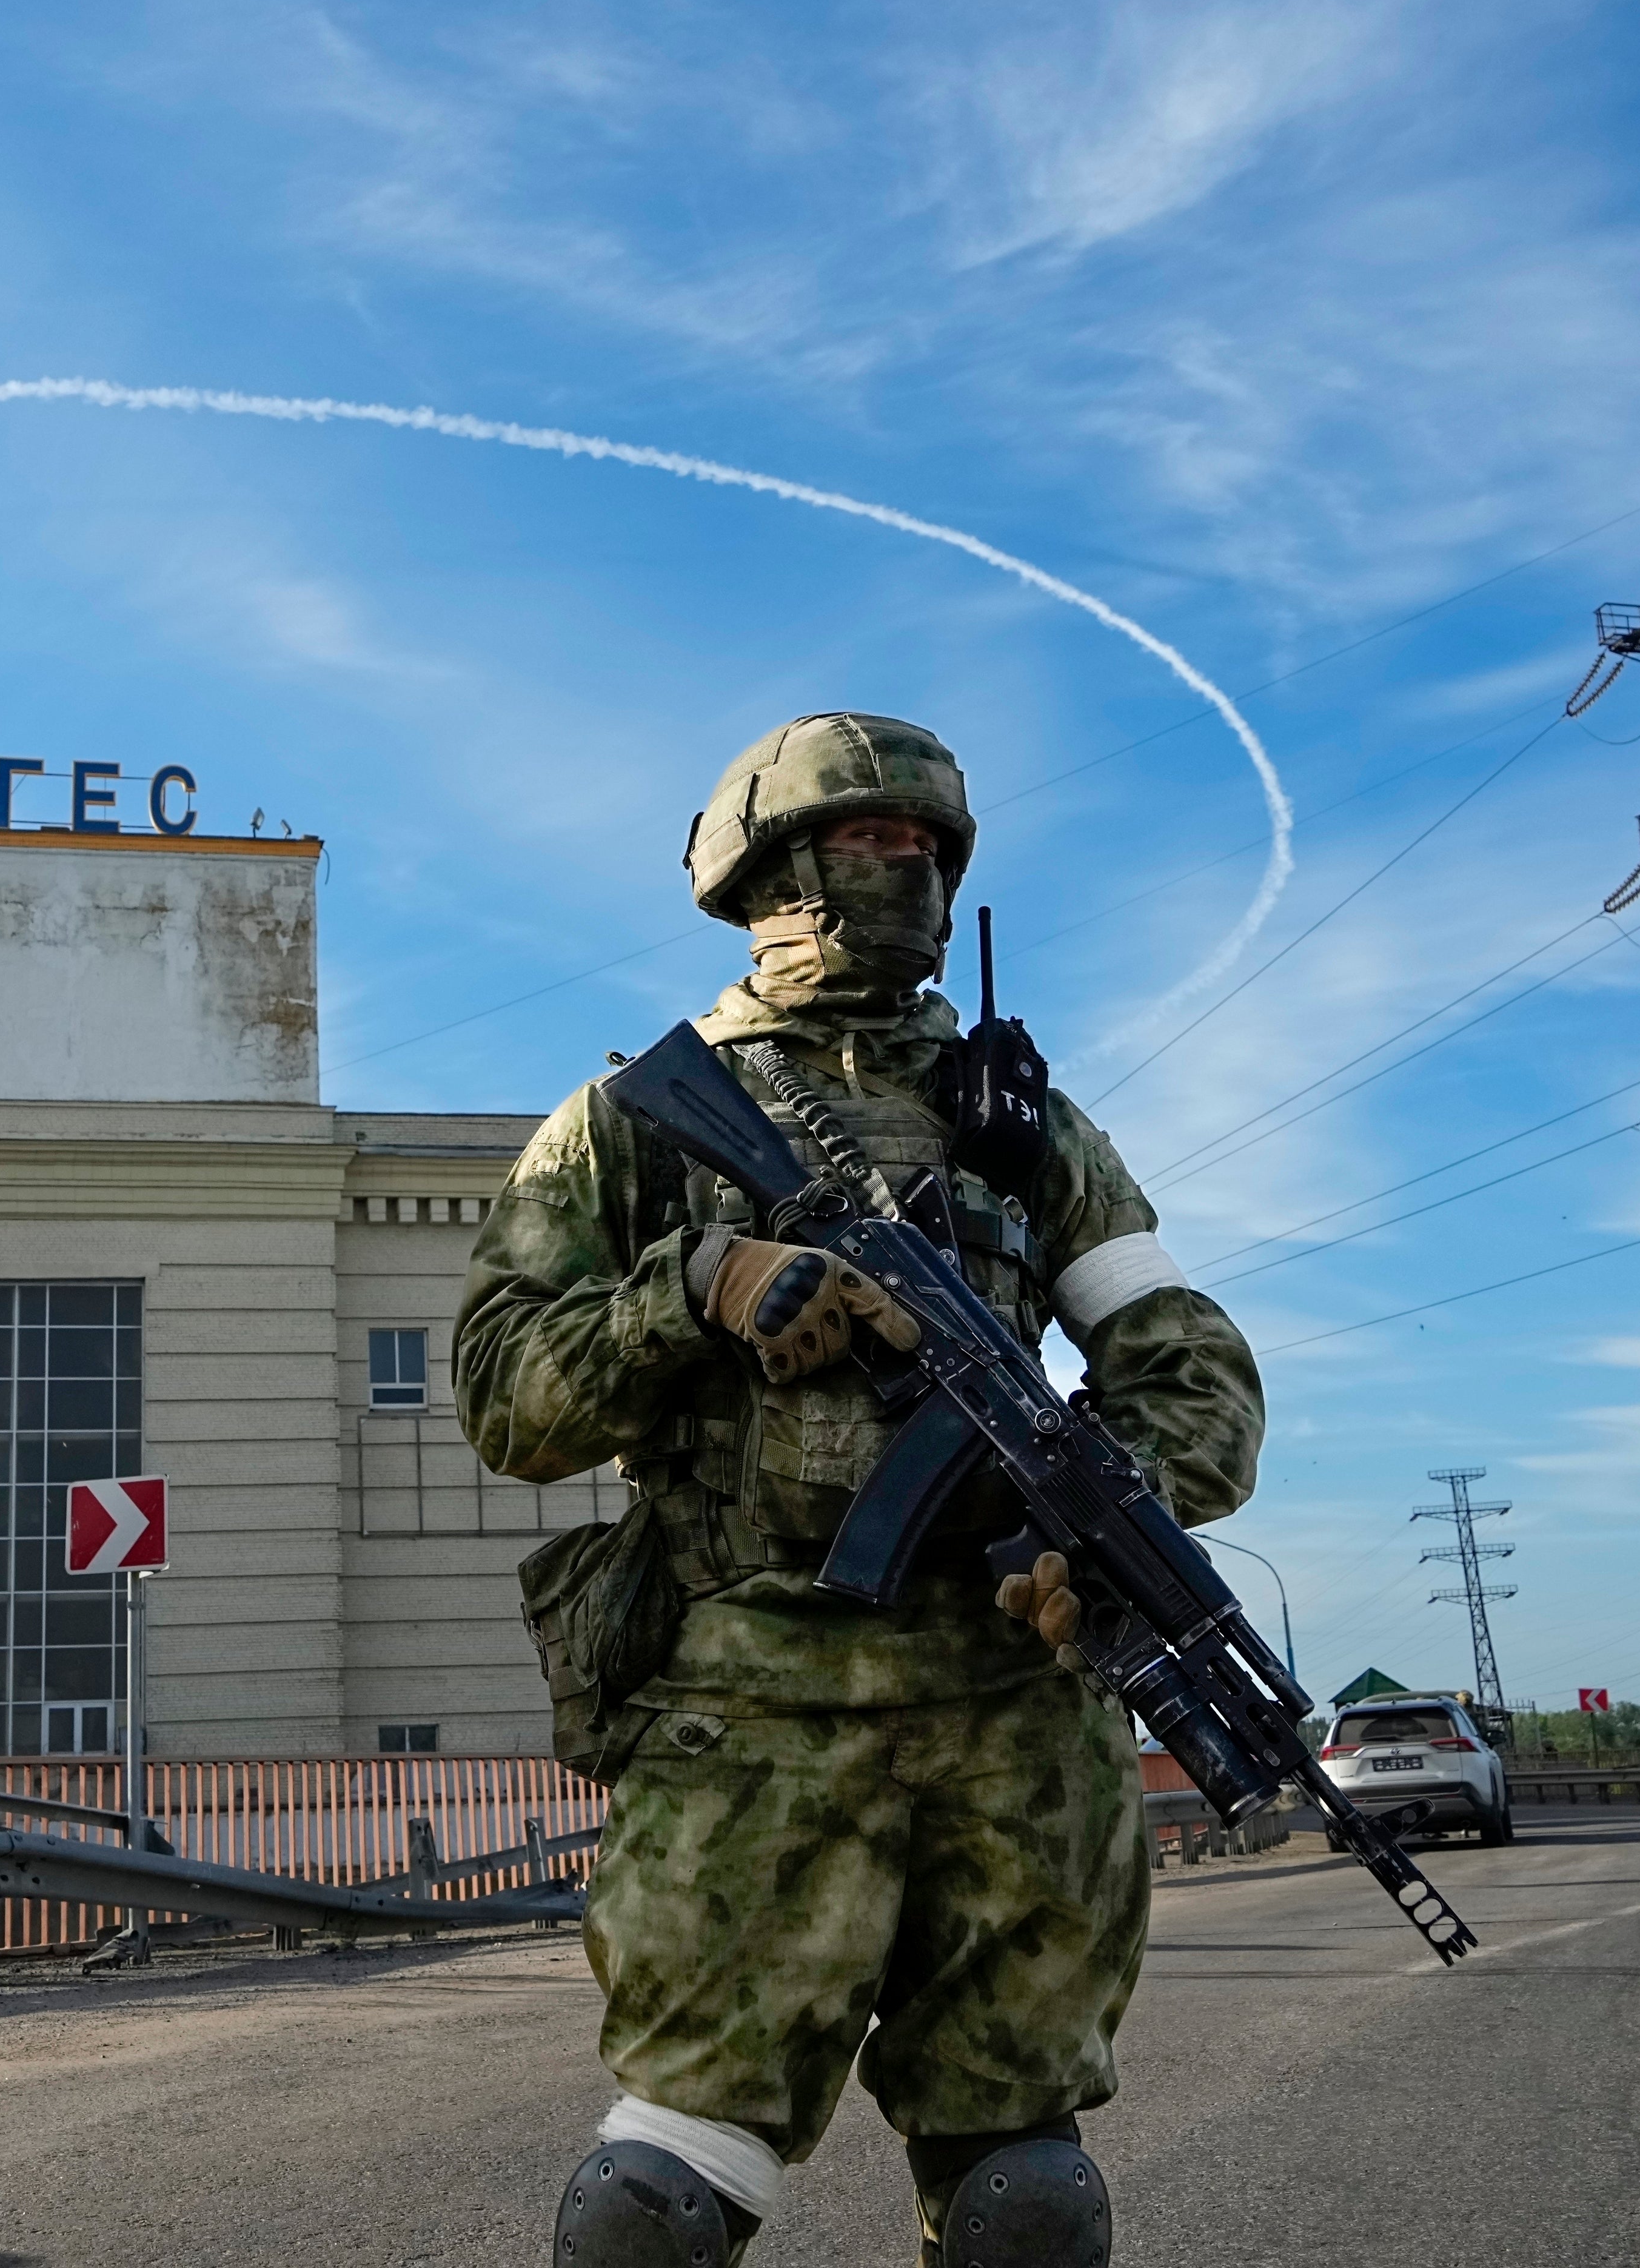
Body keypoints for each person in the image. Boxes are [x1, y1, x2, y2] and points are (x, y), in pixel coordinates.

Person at [456, 714, 1266, 2268]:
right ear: (775, 869)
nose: (909, 869)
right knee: (657, 2209)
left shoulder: (1023, 1126)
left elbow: (1190, 1362)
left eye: (930, 848)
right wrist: (690, 1289)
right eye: (872, 840)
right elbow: (503, 1392)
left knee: (1029, 2200)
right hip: (753, 1703)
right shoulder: (632, 1120)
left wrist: (1110, 1520)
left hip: (1011, 1705)